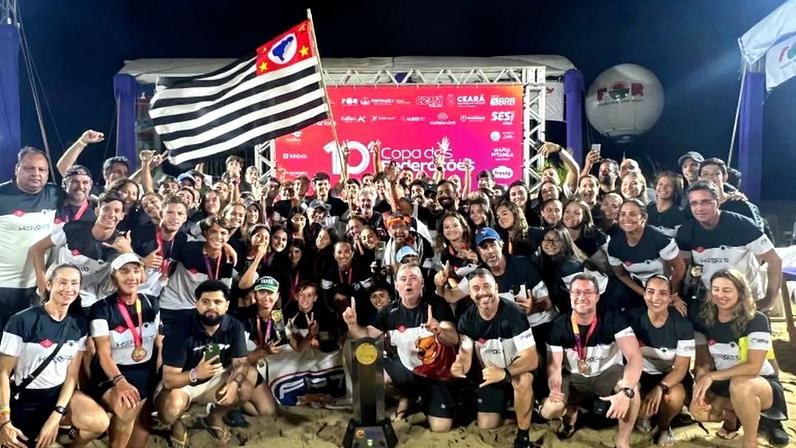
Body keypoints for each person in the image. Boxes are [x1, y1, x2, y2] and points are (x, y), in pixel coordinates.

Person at [0, 264, 109, 448]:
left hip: (58, 396)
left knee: (99, 422)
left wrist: (56, 415)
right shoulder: (21, 321)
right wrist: (4, 419)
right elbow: (3, 373)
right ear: (49, 285)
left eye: (74, 283)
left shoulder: (79, 324)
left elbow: (72, 376)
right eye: (62, 282)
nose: (69, 288)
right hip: (25, 398)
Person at [342, 264, 459, 432]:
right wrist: (352, 324)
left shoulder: (436, 305)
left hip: (435, 375)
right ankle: (406, 397)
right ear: (397, 286)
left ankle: (424, 401)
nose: (408, 283)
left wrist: (439, 331)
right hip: (406, 370)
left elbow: (453, 339)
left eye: (413, 278)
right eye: (403, 279)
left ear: (422, 283)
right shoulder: (389, 312)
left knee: (441, 427)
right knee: (368, 365)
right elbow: (365, 335)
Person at [540, 272, 642, 448]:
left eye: (588, 292)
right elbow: (554, 366)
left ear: (597, 296)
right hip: (574, 376)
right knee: (549, 410)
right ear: (570, 295)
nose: (581, 297)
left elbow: (634, 357)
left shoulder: (613, 318)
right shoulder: (558, 326)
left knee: (632, 393)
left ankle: (622, 442)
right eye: (576, 292)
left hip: (608, 373)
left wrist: (626, 391)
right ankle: (569, 414)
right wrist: (554, 387)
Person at [690, 268, 789, 447]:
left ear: (741, 292)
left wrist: (711, 376)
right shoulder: (704, 320)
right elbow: (703, 360)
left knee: (741, 385)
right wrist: (701, 379)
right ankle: (733, 416)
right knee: (698, 411)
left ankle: (751, 441)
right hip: (725, 382)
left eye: (727, 290)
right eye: (716, 289)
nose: (720, 295)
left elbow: (753, 367)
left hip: (760, 382)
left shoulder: (757, 319)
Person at [156, 280, 256, 446]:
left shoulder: (235, 326)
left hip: (215, 378)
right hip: (184, 382)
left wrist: (234, 383)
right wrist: (195, 373)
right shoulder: (179, 330)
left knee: (246, 382)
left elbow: (241, 363)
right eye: (205, 301)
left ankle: (215, 416)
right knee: (169, 412)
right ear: (197, 304)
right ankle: (176, 424)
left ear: (226, 305)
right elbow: (168, 380)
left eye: (217, 302)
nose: (211, 307)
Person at [451, 269, 540, 448]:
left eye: (487, 286)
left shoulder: (514, 313)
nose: (482, 292)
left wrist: (505, 372)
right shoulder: (466, 320)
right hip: (491, 375)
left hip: (515, 370)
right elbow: (465, 354)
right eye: (476, 288)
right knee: (486, 424)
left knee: (523, 381)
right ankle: (525, 409)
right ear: (470, 293)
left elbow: (531, 359)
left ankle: (523, 437)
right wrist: (459, 365)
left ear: (496, 288)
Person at [88, 254, 160, 448]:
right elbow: (103, 353)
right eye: (124, 271)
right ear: (114, 277)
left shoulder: (152, 303)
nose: (131, 277)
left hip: (145, 373)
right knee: (127, 406)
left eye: (136, 271)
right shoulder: (101, 308)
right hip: (113, 373)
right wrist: (120, 381)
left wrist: (161, 376)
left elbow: (159, 344)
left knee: (140, 435)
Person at [676, 180, 781, 311]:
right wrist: (685, 295)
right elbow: (687, 269)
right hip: (712, 301)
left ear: (717, 202)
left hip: (747, 301)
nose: (699, 208)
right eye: (694, 203)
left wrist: (768, 300)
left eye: (706, 202)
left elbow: (775, 261)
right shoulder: (685, 232)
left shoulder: (742, 225)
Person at [29, 192, 132, 312]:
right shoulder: (74, 228)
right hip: (51, 295)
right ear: (97, 211)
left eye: (117, 211)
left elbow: (138, 278)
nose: (111, 214)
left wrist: (129, 254)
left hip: (84, 305)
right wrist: (42, 285)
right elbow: (37, 248)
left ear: (122, 216)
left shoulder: (121, 246)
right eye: (106, 209)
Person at [630, 275, 695, 447]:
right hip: (640, 374)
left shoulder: (682, 324)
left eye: (663, 293)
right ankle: (643, 416)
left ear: (671, 297)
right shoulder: (632, 318)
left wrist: (660, 388)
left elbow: (680, 369)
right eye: (650, 292)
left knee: (675, 395)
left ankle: (664, 426)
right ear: (644, 294)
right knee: (628, 392)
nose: (656, 298)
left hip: (668, 374)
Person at [0, 148, 60, 333]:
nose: (36, 174)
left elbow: (79, 183)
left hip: (38, 287)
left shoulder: (54, 194)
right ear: (17, 168)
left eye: (42, 169)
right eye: (29, 168)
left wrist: (82, 142)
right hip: (3, 287)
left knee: (30, 340)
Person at [607, 199, 686, 311]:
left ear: (644, 217)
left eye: (633, 214)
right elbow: (621, 275)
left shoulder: (660, 240)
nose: (626, 218)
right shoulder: (614, 245)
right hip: (639, 289)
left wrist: (672, 294)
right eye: (623, 214)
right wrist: (644, 293)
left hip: (666, 287)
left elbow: (679, 269)